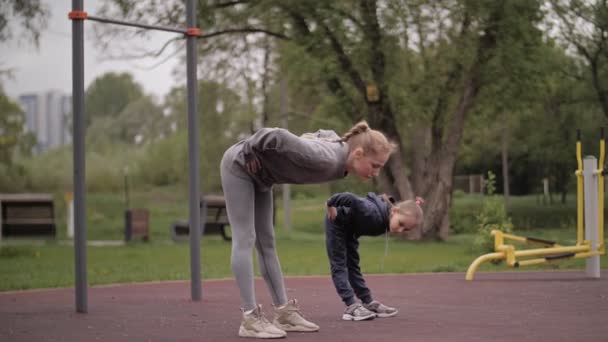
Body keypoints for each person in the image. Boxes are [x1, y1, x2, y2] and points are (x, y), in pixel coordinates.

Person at [220, 121, 396, 338]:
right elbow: (276, 135)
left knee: (267, 243)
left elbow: (325, 133)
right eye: (375, 165)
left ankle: (283, 313)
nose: (376, 173)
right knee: (245, 239)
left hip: (263, 176)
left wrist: (305, 139)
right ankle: (250, 318)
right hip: (239, 165)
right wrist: (249, 150)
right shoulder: (325, 158)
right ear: (358, 153)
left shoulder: (338, 152)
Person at [325, 192, 424, 321]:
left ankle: (368, 302)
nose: (400, 230)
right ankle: (351, 305)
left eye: (405, 229)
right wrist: (330, 204)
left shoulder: (385, 219)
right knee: (339, 265)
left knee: (353, 265)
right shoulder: (371, 214)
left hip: (350, 230)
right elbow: (350, 198)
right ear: (394, 211)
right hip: (337, 222)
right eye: (400, 224)